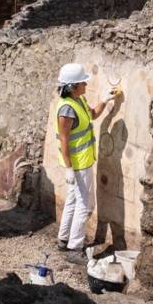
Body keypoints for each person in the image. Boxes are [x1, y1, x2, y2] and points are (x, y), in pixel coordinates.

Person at [54, 63, 119, 264]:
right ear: (73, 86)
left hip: (82, 161)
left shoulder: (78, 100)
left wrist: (104, 100)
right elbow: (64, 140)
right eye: (83, 82)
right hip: (77, 163)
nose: (85, 85)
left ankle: (64, 240)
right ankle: (75, 248)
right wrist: (69, 169)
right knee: (85, 204)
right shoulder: (66, 109)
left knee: (74, 200)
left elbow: (92, 115)